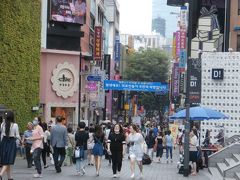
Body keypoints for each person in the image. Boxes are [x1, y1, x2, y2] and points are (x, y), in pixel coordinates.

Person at [0, 111, 20, 180]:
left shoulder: (2, 124)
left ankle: (9, 177)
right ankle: (0, 175)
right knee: (8, 161)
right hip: (11, 143)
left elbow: (2, 134)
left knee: (6, 161)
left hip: (3, 142)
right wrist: (21, 141)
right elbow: (17, 135)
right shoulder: (15, 125)